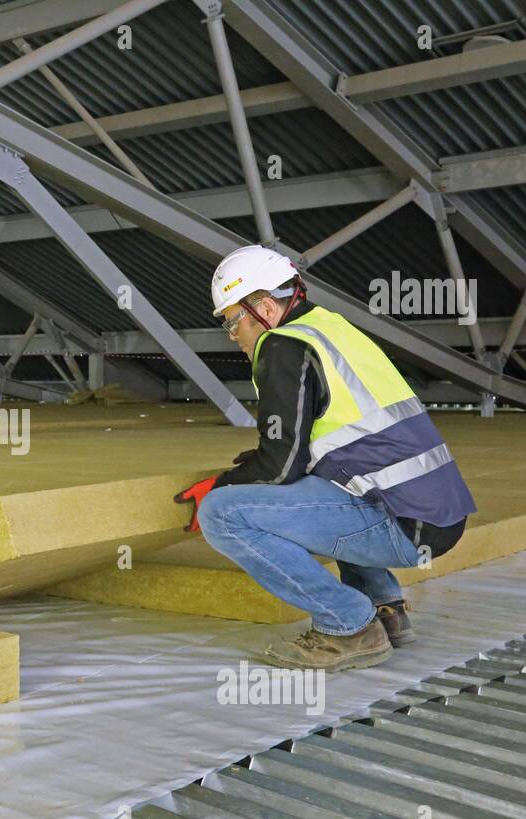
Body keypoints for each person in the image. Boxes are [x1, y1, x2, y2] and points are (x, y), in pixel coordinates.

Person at [177, 245, 476, 672]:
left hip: (403, 525)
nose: (233, 334)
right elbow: (322, 442)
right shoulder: (332, 328)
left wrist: (222, 485)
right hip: (435, 516)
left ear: (263, 308)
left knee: (223, 515)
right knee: (328, 485)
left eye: (232, 320)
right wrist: (259, 462)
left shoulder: (283, 345)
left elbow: (282, 467)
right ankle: (384, 607)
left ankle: (348, 626)